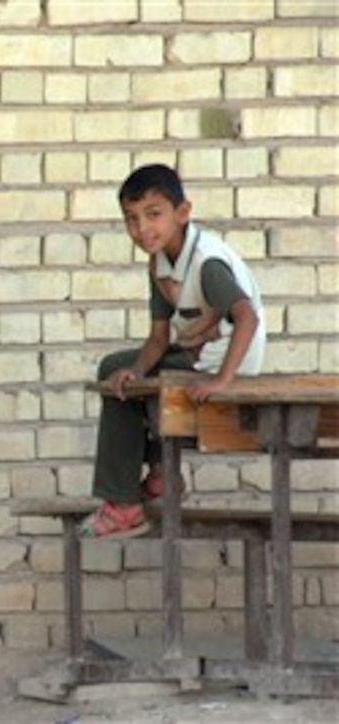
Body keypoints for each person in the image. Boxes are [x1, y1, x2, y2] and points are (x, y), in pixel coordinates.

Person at [80, 164, 266, 539]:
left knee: (124, 376)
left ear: (182, 213)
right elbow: (158, 338)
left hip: (225, 360)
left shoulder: (206, 262)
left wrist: (223, 380)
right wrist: (135, 370)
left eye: (153, 215)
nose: (142, 229)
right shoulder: (160, 261)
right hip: (195, 354)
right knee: (117, 370)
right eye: (131, 219)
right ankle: (162, 474)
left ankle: (122, 503)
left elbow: (247, 318)